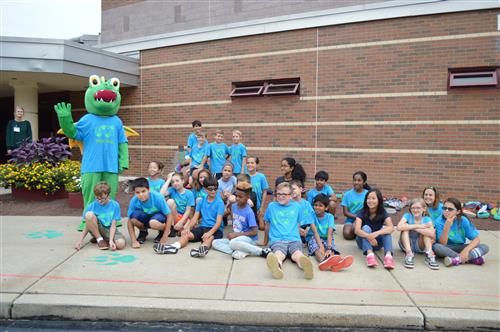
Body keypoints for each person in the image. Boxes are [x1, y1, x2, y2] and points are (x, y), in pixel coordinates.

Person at [155, 176, 224, 257]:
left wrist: (210, 232)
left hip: (215, 230)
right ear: (205, 189)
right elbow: (195, 217)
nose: (213, 191)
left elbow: (219, 222)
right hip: (202, 227)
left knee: (209, 238)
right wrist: (188, 228)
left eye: (215, 189)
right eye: (210, 189)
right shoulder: (201, 201)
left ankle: (201, 249)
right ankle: (173, 247)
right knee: (186, 234)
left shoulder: (220, 203)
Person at [263, 182, 314, 280]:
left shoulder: (297, 207)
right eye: (279, 194)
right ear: (276, 194)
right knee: (285, 253)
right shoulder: (271, 206)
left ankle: (303, 264)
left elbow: (298, 224)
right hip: (278, 239)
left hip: (292, 238)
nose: (281, 196)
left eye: (284, 194)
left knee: (291, 254)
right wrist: (266, 241)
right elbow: (267, 224)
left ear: (290, 196)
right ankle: (278, 266)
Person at [212, 181, 271, 259]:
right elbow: (232, 220)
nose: (237, 198)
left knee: (233, 243)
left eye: (240, 197)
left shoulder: (249, 212)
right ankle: (239, 251)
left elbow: (254, 232)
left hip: (249, 240)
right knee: (215, 242)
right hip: (237, 239)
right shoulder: (234, 206)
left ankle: (261, 251)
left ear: (248, 197)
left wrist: (236, 235)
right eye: (236, 196)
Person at [432, 197, 489, 267]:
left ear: (458, 211)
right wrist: (447, 227)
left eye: (450, 209)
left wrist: (466, 250)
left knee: (484, 247)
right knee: (436, 247)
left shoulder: (463, 220)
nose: (446, 211)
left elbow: (476, 239)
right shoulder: (439, 221)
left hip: (460, 247)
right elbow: (442, 243)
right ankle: (469, 259)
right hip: (447, 248)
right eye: (444, 208)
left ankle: (456, 260)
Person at [307, 194, 354, 272]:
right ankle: (323, 261)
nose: (317, 207)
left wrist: (329, 248)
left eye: (320, 205)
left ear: (326, 208)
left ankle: (336, 264)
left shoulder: (330, 217)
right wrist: (321, 246)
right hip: (314, 237)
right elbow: (315, 232)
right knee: (318, 250)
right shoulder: (311, 215)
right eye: (315, 205)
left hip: (327, 238)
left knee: (331, 251)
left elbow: (330, 234)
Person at [75, 182, 125, 251]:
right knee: (89, 215)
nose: (99, 201)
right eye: (97, 198)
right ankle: (99, 239)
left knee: (120, 244)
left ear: (108, 195)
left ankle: (104, 240)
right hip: (97, 229)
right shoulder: (92, 205)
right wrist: (80, 241)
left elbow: (113, 225)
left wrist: (111, 241)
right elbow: (88, 224)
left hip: (109, 230)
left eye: (102, 198)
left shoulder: (115, 205)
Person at [354, 188, 395, 269]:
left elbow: (391, 228)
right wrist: (369, 237)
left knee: (385, 230)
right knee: (365, 227)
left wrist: (376, 233)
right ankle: (370, 256)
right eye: (368, 198)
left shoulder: (382, 212)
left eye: (373, 198)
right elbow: (357, 230)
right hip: (363, 242)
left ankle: (388, 257)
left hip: (377, 243)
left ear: (379, 200)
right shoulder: (362, 212)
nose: (370, 201)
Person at [127, 177, 173, 248]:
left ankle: (162, 232)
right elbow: (129, 221)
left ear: (148, 189)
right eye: (137, 192)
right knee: (133, 218)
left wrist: (165, 236)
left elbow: (169, 216)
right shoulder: (134, 200)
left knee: (153, 222)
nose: (141, 195)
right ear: (134, 192)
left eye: (143, 191)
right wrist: (134, 241)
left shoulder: (158, 197)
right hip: (146, 218)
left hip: (158, 218)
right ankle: (143, 232)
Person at [397, 198, 439, 269]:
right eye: (413, 208)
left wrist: (412, 227)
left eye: (418, 208)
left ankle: (429, 255)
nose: (415, 210)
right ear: (410, 209)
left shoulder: (426, 219)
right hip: (406, 244)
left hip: (420, 246)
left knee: (426, 233)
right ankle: (409, 254)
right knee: (405, 230)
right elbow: (399, 227)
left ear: (424, 209)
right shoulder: (407, 216)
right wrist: (420, 226)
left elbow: (432, 234)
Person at [160, 172, 195, 238]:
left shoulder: (189, 193)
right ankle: (172, 227)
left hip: (183, 218)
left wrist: (181, 222)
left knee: (185, 229)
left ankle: (178, 229)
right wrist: (168, 180)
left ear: (182, 181)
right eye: (172, 182)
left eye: (177, 181)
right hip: (172, 217)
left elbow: (188, 210)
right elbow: (161, 195)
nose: (175, 183)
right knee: (170, 201)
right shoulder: (172, 190)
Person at [341, 171, 370, 240]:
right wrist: (357, 217)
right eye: (354, 180)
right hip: (351, 219)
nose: (356, 182)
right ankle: (359, 234)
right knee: (347, 234)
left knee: (355, 228)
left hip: (364, 218)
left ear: (364, 182)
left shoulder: (368, 194)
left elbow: (370, 210)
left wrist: (360, 218)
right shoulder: (347, 194)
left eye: (359, 180)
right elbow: (345, 212)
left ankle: (360, 231)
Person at [247, 156, 269, 230]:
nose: (250, 164)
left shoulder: (261, 177)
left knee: (262, 227)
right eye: (248, 163)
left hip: (258, 206)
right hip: (247, 205)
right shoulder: (245, 176)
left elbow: (264, 192)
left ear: (257, 165)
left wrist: (262, 207)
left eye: (252, 163)